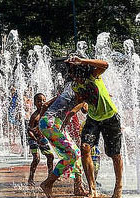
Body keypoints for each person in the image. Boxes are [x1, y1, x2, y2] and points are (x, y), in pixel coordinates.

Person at [68, 56, 123, 198]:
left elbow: (105, 64)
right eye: (72, 74)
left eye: (75, 73)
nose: (73, 77)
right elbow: (82, 101)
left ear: (81, 71)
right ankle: (92, 189)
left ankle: (118, 186)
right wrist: (81, 104)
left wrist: (83, 60)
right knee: (85, 148)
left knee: (114, 154)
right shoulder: (75, 85)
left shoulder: (94, 76)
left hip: (110, 117)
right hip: (93, 119)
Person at [38, 81, 87, 198]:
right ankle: (48, 183)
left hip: (52, 123)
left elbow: (45, 106)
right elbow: (84, 108)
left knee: (77, 153)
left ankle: (78, 187)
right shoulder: (77, 89)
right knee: (72, 155)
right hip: (51, 123)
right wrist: (86, 102)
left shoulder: (68, 89)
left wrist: (40, 123)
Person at [27, 93, 54, 186]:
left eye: (43, 100)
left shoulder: (46, 112)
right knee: (36, 158)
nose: (41, 103)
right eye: (39, 101)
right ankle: (31, 178)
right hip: (33, 138)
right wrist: (35, 139)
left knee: (50, 156)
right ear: (34, 103)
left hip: (41, 137)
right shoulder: (34, 116)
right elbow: (29, 131)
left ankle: (51, 176)